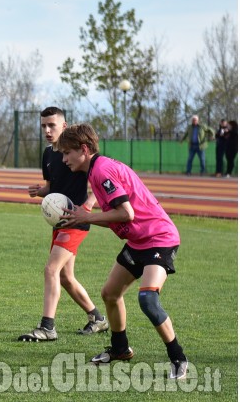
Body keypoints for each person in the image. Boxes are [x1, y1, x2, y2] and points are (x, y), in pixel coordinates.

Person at [55, 123, 189, 380]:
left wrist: (88, 217)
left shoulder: (102, 170)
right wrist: (85, 214)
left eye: (67, 153)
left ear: (83, 149)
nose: (64, 159)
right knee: (110, 293)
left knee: (148, 299)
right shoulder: (97, 169)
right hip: (139, 242)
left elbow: (127, 213)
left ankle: (178, 358)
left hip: (159, 239)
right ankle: (120, 349)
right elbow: (119, 216)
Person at [18, 107, 107, 342]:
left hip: (76, 221)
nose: (47, 130)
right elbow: (52, 186)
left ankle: (47, 327)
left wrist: (87, 206)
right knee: (66, 277)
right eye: (43, 126)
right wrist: (41, 191)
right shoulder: (48, 154)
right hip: (59, 222)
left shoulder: (78, 153)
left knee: (51, 270)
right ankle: (97, 318)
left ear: (64, 126)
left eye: (52, 125)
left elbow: (99, 182)